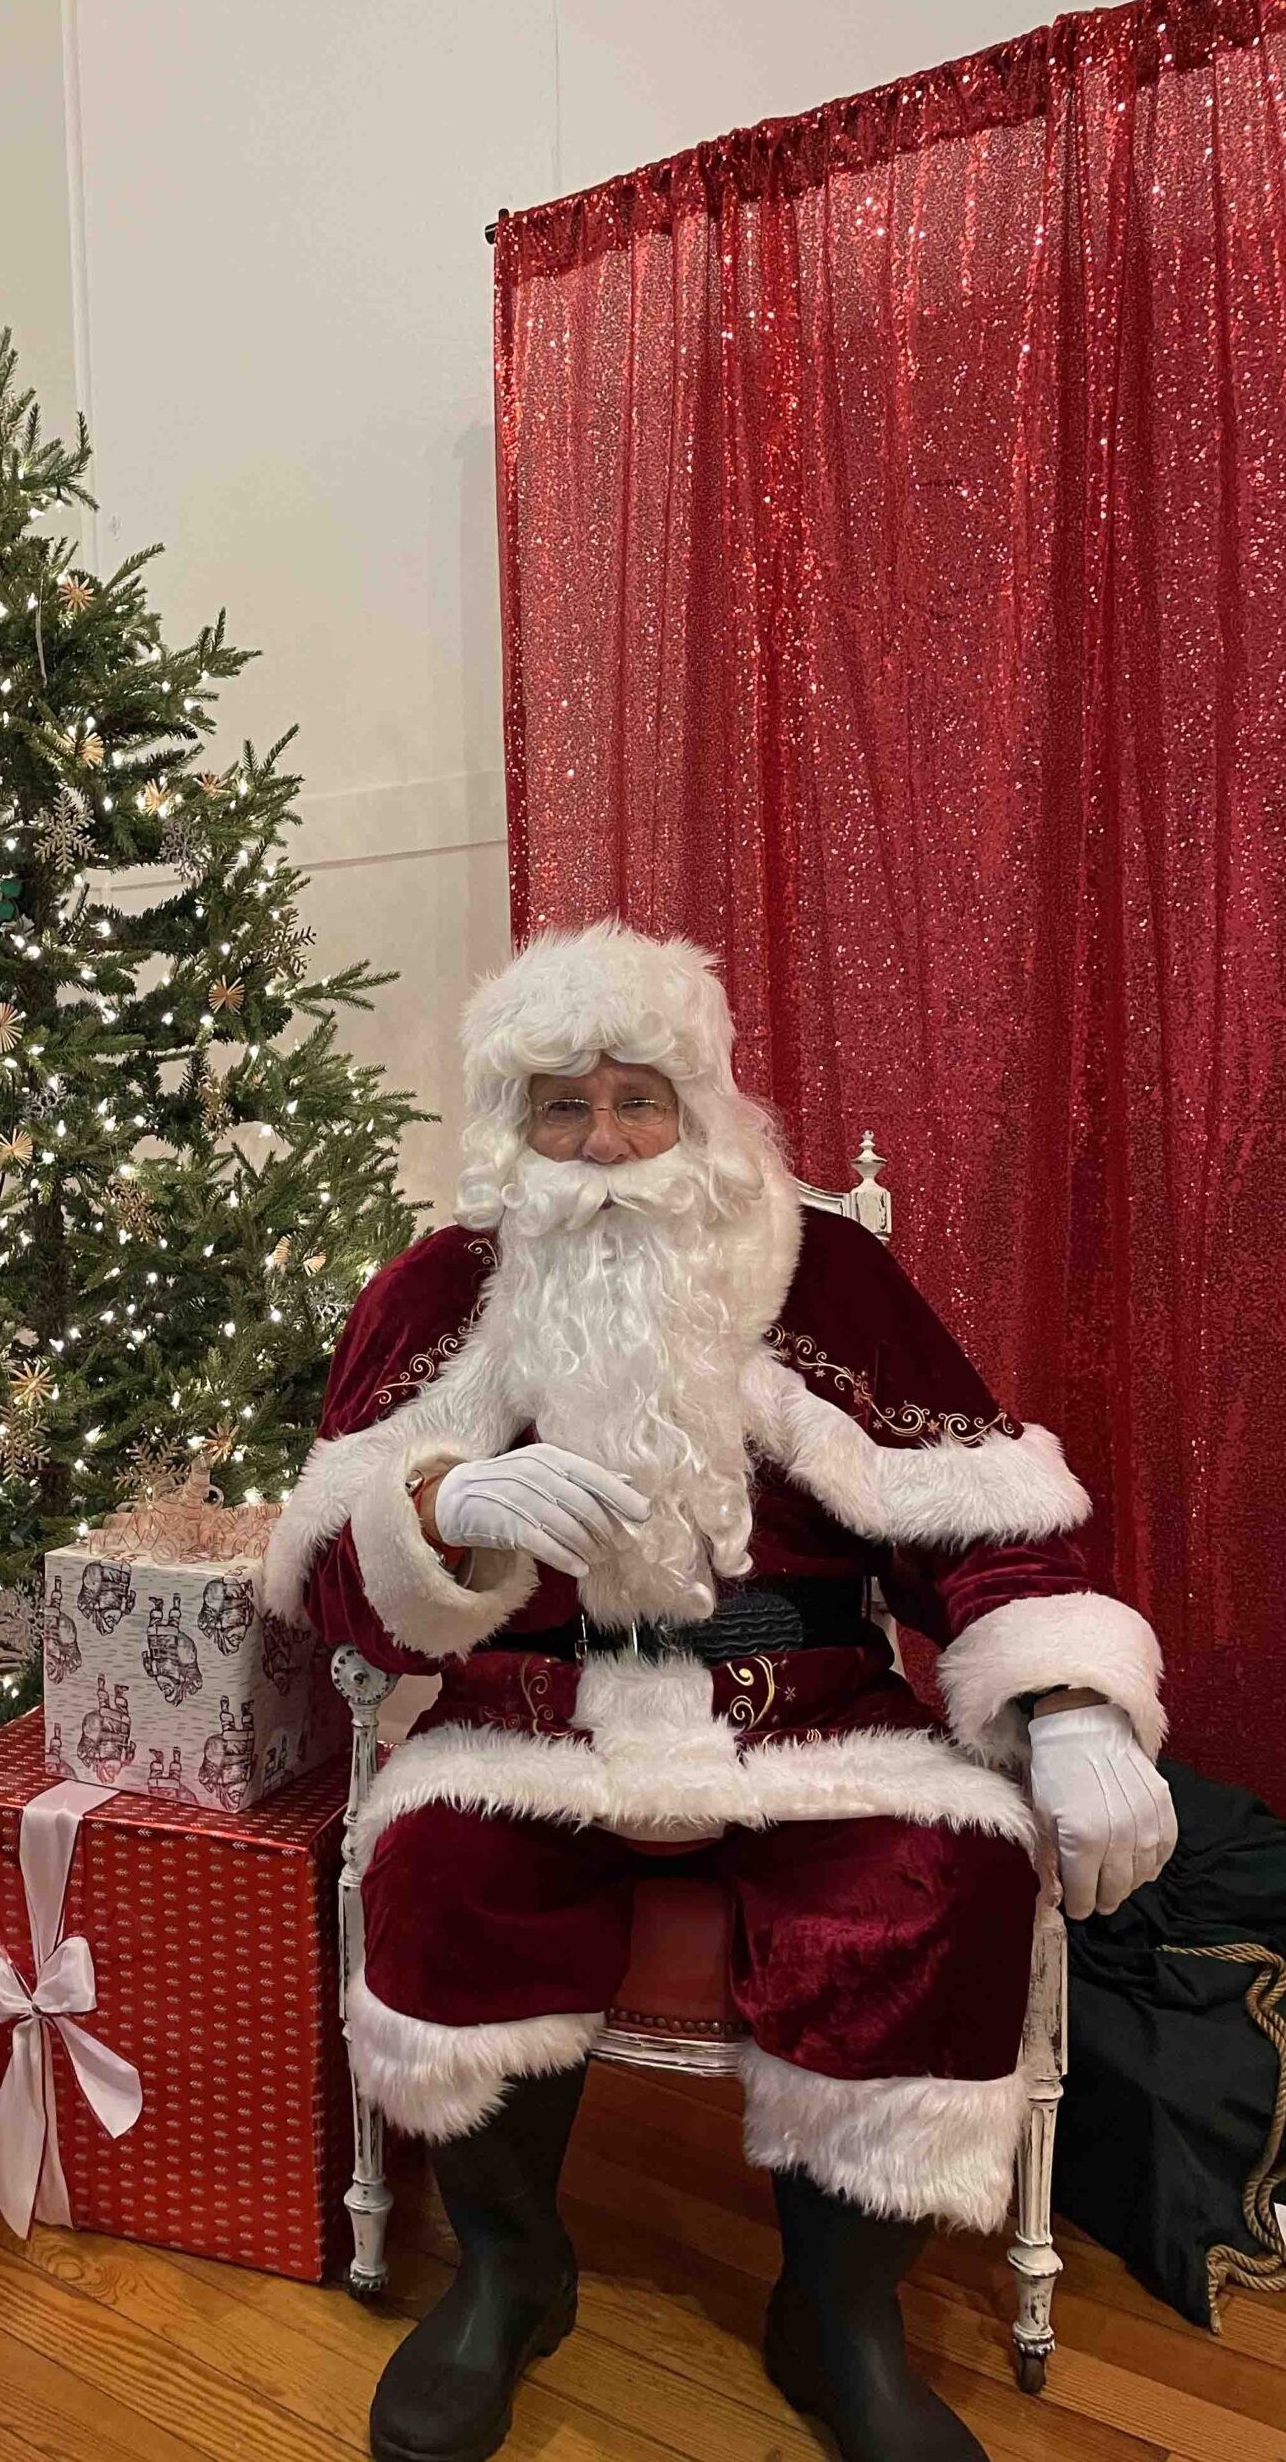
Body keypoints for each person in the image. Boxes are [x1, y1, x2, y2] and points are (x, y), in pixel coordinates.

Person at [266, 924, 1176, 2462]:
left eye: (640, 1101)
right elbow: (342, 1604)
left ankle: (838, 2313)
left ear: (704, 1103)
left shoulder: (832, 1271)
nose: (605, 1145)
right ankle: (512, 2272)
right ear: (513, 1124)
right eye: (565, 1107)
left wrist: (1071, 1704)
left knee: (936, 1869)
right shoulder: (439, 1289)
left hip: (813, 1715)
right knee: (437, 1868)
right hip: (533, 1717)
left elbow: (985, 1516)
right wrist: (435, 1518)